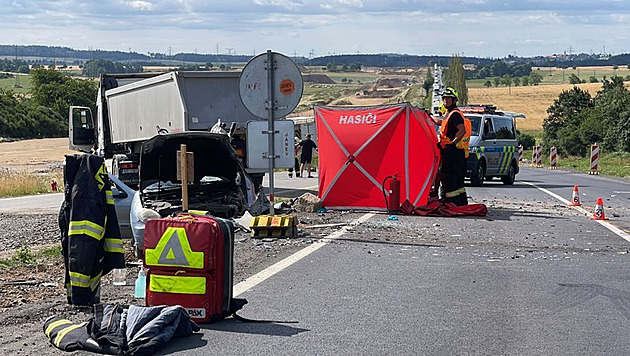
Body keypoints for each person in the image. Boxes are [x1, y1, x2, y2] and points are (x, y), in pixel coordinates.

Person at [429, 87, 469, 206]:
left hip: (453, 152)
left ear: (454, 100)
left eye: (448, 99)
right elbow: (439, 122)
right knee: (456, 180)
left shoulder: (455, 114)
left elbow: (462, 130)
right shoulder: (448, 114)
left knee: (449, 178)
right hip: (451, 151)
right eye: (444, 98)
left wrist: (453, 143)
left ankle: (452, 202)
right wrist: (429, 115)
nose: (446, 101)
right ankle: (460, 202)